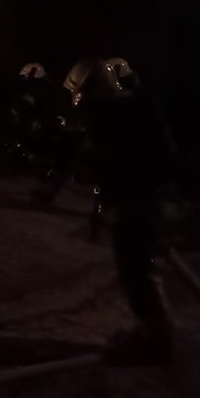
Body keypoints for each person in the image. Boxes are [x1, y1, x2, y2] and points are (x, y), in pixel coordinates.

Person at [66, 59, 177, 364]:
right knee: (137, 268)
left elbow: (115, 163)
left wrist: (95, 162)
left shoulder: (118, 116)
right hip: (141, 200)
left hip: (140, 202)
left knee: (136, 270)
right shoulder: (127, 110)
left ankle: (156, 342)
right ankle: (151, 333)